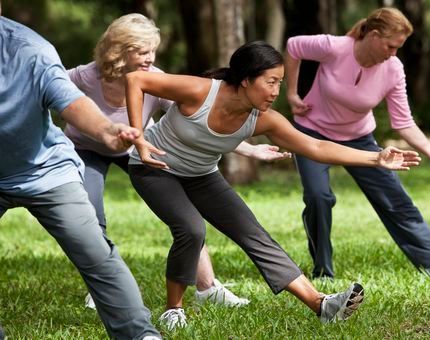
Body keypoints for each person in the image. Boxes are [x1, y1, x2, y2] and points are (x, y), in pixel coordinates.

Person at [124, 40, 421, 330]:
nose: (276, 92)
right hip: (154, 168)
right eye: (270, 82)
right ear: (245, 80)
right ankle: (173, 310)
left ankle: (321, 305)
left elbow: (315, 147)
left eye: (280, 83)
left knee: (254, 234)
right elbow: (136, 79)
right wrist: (139, 136)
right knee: (191, 228)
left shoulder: (263, 120)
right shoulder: (201, 91)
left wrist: (376, 158)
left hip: (201, 175)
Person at [65, 13, 289, 310]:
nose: (150, 57)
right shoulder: (84, 76)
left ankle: (207, 287)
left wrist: (249, 149)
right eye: (142, 50)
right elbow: (47, 91)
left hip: (140, 148)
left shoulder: (157, 79)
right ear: (118, 50)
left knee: (187, 220)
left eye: (153, 50)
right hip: (86, 148)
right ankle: (103, 285)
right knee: (91, 216)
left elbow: (198, 126)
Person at [284, 7, 430, 280]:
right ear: (375, 36)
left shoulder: (393, 69)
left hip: (359, 139)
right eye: (391, 46)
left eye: (398, 48)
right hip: (311, 133)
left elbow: (403, 122)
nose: (394, 53)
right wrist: (293, 94)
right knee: (319, 198)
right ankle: (323, 273)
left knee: (396, 200)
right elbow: (293, 47)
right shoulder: (335, 47)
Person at [0, 7, 161, 340]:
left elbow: (70, 101)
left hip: (45, 172)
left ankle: (140, 335)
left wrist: (106, 130)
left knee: (96, 254)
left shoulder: (30, 51)